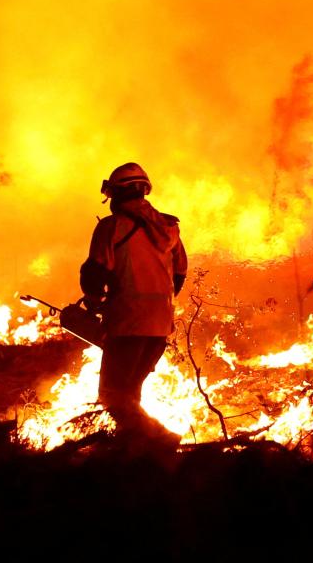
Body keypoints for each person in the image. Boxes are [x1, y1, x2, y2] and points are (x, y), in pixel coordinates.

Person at [80, 161, 187, 441]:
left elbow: (95, 272)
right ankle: (135, 451)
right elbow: (179, 274)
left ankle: (161, 440)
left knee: (112, 394)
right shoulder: (169, 229)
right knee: (129, 395)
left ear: (117, 193)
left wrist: (94, 302)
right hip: (159, 329)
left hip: (127, 325)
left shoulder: (111, 227)